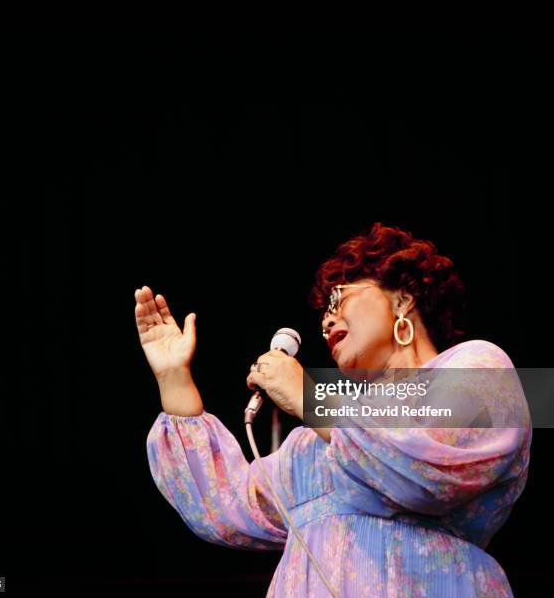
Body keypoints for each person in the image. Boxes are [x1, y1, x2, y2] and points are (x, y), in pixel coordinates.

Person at [137, 222, 531, 597]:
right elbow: (225, 504)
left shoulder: (479, 366)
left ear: (403, 297)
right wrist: (174, 377)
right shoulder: (312, 443)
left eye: (339, 297)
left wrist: (310, 400)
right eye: (323, 311)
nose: (326, 321)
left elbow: (427, 461)